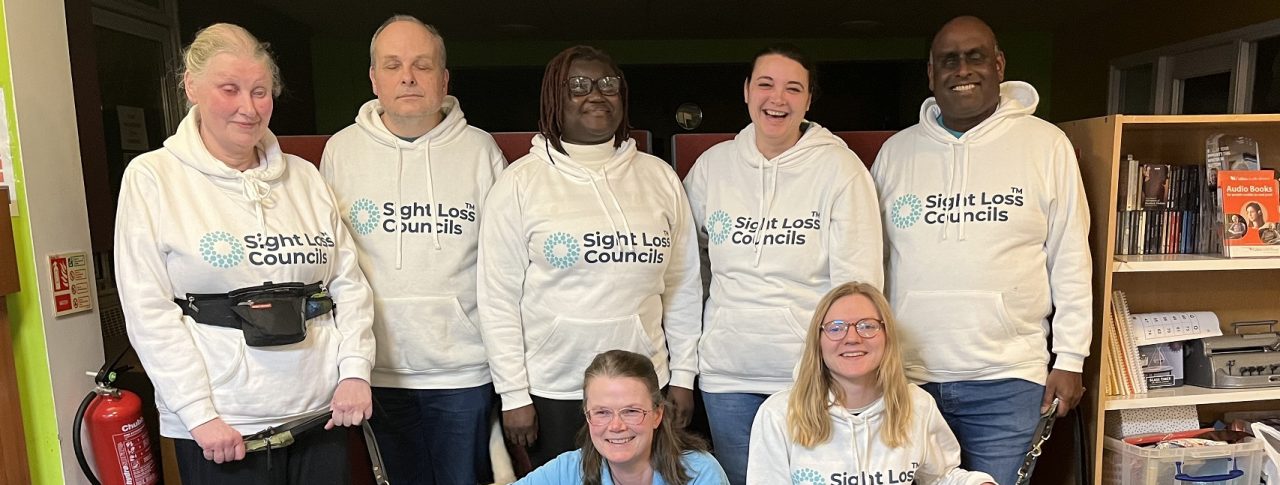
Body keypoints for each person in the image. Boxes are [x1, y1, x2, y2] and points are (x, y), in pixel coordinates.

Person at [114, 23, 375, 484]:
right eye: (229, 89)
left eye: (260, 91)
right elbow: (147, 310)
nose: (248, 108)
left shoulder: (305, 177)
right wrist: (197, 413)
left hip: (322, 413)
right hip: (225, 425)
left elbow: (347, 284)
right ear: (191, 87)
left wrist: (355, 371)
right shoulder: (152, 177)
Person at [871, 15, 1091, 485]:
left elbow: (1070, 257)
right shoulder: (896, 153)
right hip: (908, 378)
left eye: (975, 57)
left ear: (999, 65)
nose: (962, 70)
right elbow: (872, 262)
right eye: (948, 60)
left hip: (1009, 380)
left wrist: (1070, 358)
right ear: (931, 73)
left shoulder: (1047, 145)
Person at [479, 45, 702, 468]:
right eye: (578, 85)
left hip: (645, 384)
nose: (596, 94)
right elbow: (497, 299)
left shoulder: (659, 177)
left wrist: (685, 377)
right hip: (555, 388)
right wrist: (513, 394)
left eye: (608, 84)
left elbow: (683, 286)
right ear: (554, 99)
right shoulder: (519, 183)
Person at [682, 43, 884, 485]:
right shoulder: (713, 167)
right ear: (747, 91)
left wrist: (847, 368)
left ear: (809, 100)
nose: (778, 99)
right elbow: (685, 264)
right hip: (727, 377)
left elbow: (858, 284)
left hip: (808, 376)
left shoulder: (840, 169)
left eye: (794, 88)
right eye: (766, 84)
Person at [319, 15, 506, 485]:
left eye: (422, 65)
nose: (408, 76)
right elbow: (330, 266)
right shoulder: (340, 151)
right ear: (374, 79)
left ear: (443, 79)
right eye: (393, 65)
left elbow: (503, 267)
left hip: (464, 369)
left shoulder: (481, 151)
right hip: (375, 371)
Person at [747, 282, 995, 485]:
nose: (852, 338)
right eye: (836, 328)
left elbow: (942, 477)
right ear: (818, 341)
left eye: (867, 326)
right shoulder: (778, 414)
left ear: (887, 336)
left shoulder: (917, 405)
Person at [516, 350, 729, 485]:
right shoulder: (568, 470)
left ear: (657, 415)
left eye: (631, 411)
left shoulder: (700, 472)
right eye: (602, 412)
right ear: (587, 416)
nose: (616, 426)